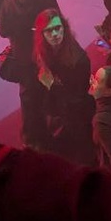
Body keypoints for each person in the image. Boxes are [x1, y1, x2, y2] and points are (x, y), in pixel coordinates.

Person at [0, 0, 60, 148]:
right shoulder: (47, 1)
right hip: (45, 57)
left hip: (22, 58)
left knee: (28, 98)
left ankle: (31, 136)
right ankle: (48, 127)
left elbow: (2, 31)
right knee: (48, 89)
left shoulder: (8, 3)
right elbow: (57, 26)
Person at [32, 9, 95, 165]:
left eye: (57, 28)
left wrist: (52, 85)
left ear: (64, 27)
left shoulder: (79, 59)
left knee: (83, 155)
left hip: (78, 115)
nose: (55, 34)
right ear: (42, 34)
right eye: (49, 30)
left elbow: (78, 97)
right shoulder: (44, 50)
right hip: (58, 111)